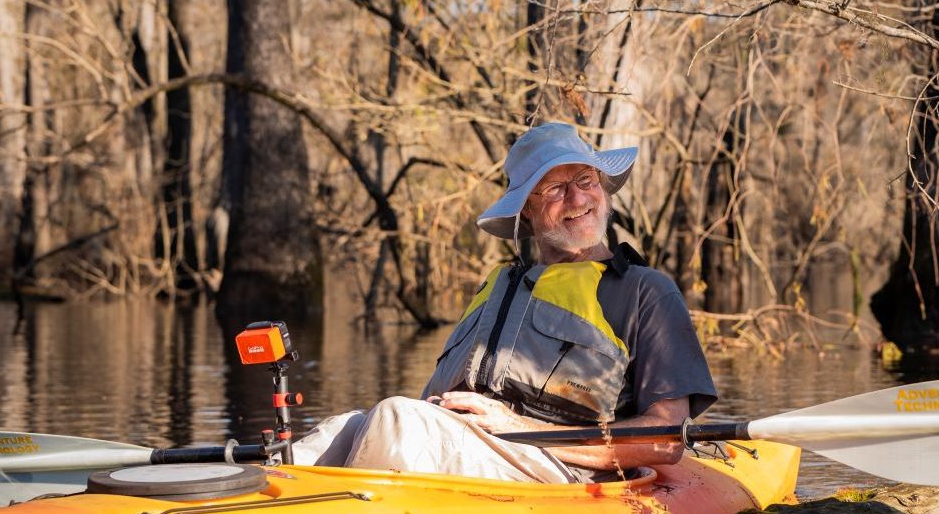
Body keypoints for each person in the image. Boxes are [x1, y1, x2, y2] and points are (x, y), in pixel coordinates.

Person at [292, 122, 717, 483]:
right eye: (554, 188)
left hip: (562, 471)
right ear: (526, 212)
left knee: (396, 420)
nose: (578, 199)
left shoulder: (645, 291)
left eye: (586, 181)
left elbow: (664, 438)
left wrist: (515, 426)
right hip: (474, 449)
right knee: (339, 430)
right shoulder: (499, 288)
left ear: (602, 190)